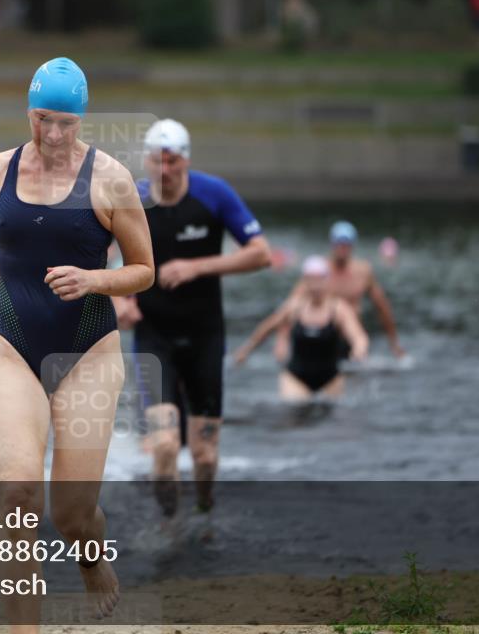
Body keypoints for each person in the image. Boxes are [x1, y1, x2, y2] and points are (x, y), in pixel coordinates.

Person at [0, 57, 154, 634]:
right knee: (18, 494)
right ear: (29, 111)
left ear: (82, 121)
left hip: (89, 353)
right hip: (14, 348)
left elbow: (145, 270)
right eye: (43, 120)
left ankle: (92, 555)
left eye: (66, 124)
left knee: (71, 516)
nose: (53, 135)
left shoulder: (111, 180)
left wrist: (94, 279)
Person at [114, 118, 271, 518]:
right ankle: (168, 529)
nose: (164, 172)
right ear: (146, 161)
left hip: (204, 335)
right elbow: (104, 257)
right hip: (153, 336)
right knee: (165, 445)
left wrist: (196, 267)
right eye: (156, 162)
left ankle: (204, 513)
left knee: (204, 453)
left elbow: (260, 253)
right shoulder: (132, 197)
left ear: (185, 161)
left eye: (173, 163)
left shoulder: (213, 194)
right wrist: (120, 300)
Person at [234, 255, 368, 400]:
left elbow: (357, 335)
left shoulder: (338, 309)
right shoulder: (295, 307)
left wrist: (359, 349)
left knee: (335, 419)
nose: (316, 285)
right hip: (296, 378)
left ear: (327, 280)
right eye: (311, 279)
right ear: (305, 281)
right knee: (294, 414)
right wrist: (246, 350)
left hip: (331, 379)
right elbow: (268, 327)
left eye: (320, 279)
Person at [276, 221, 404, 360]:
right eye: (339, 243)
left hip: (350, 338)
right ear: (332, 244)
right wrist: (282, 340)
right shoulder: (319, 271)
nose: (342, 248)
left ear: (353, 245)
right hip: (322, 336)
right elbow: (290, 307)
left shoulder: (363, 271)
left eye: (346, 244)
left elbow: (382, 308)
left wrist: (394, 343)